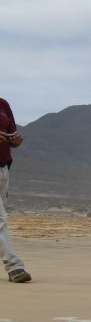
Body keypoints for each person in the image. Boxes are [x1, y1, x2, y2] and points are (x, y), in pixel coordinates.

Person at [0, 95, 27, 283]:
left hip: (3, 168)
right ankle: (15, 267)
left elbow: (15, 139)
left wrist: (15, 139)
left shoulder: (3, 104)